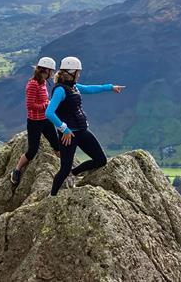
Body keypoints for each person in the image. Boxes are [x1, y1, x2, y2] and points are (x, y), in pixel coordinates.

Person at [45, 56, 125, 196]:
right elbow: (49, 113)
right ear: (71, 72)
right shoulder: (60, 90)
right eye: (78, 72)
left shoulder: (73, 87)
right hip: (68, 135)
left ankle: (74, 173)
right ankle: (51, 197)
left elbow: (90, 89)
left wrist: (111, 87)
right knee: (63, 169)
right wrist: (64, 129)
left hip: (82, 131)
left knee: (101, 160)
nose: (79, 75)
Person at [10, 57, 60, 185]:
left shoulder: (43, 82)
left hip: (45, 120)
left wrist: (46, 105)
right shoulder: (33, 84)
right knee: (32, 151)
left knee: (56, 145)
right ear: (46, 70)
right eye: (51, 71)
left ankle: (64, 168)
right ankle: (16, 170)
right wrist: (46, 105)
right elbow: (30, 105)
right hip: (35, 122)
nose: (53, 74)